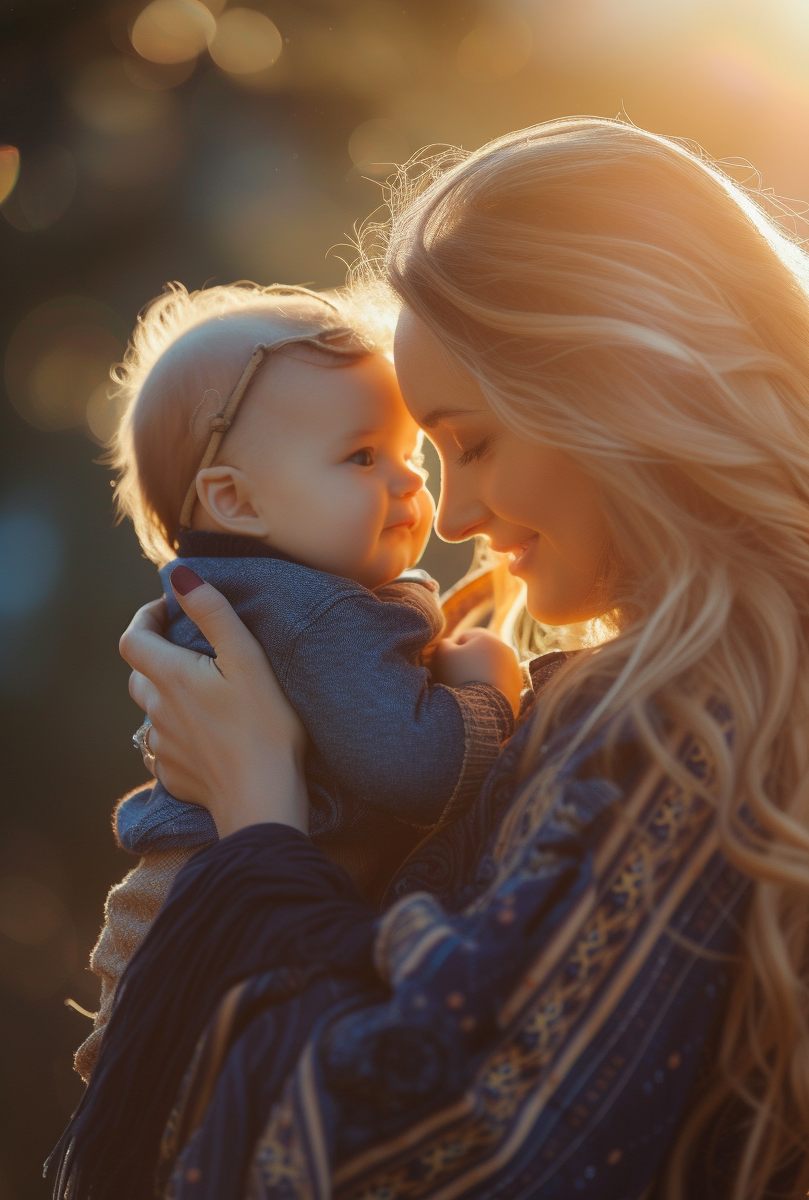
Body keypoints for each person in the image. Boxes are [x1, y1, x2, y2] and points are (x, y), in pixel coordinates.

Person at [52, 118, 809, 1199]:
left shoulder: (677, 734)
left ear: (625, 394)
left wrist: (259, 811)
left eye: (469, 442)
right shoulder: (721, 709)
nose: (456, 509)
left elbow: (403, 1148)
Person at [73, 281, 521, 1081]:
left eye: (407, 453)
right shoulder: (317, 614)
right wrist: (490, 697)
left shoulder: (260, 596)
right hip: (207, 925)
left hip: (176, 911)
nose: (412, 484)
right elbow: (409, 766)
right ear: (235, 501)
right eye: (361, 456)